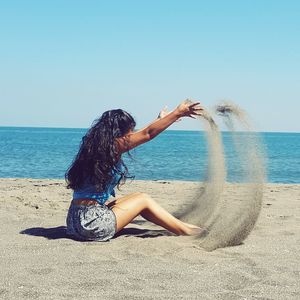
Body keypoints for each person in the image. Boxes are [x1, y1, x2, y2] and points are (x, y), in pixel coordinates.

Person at [65, 100, 203, 241]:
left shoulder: (95, 147)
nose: (132, 135)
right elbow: (147, 134)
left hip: (74, 221)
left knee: (137, 196)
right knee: (143, 200)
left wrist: (159, 120)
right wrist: (177, 112)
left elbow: (142, 133)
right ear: (119, 133)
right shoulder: (113, 147)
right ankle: (187, 231)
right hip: (91, 225)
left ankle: (185, 226)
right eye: (130, 131)